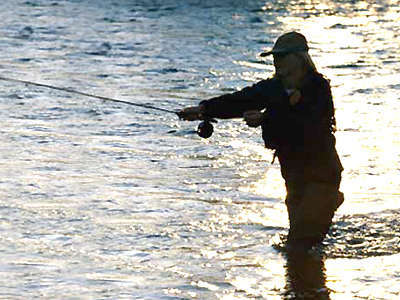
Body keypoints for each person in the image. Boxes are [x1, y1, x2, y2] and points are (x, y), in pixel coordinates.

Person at [178, 32, 344, 252]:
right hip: (293, 173)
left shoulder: (318, 87)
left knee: (300, 243)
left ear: (300, 58)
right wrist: (203, 110)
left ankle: (327, 204)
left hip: (321, 174)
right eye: (275, 57)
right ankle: (305, 281)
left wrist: (266, 118)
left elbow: (310, 123)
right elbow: (239, 100)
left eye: (283, 56)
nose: (277, 61)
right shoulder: (272, 88)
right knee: (301, 241)